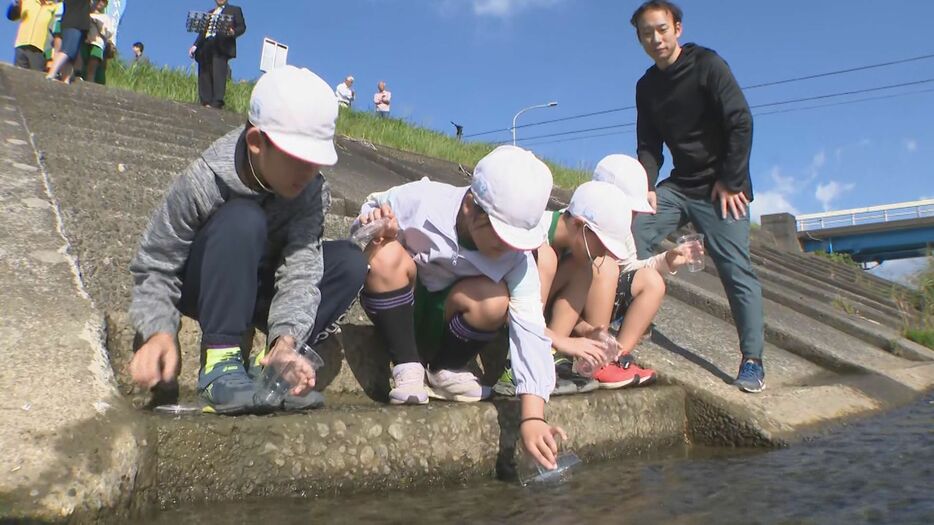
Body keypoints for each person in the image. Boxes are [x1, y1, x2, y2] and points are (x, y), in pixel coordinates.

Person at [127, 65, 367, 415]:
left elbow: (301, 268)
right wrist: (158, 331)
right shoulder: (204, 181)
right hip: (210, 284)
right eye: (299, 159)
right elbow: (156, 263)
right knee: (244, 218)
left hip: (260, 290)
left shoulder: (312, 191)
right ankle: (220, 363)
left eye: (316, 162)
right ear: (256, 143)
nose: (309, 173)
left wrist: (286, 341)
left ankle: (269, 364)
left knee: (349, 262)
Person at [355, 145, 567, 470]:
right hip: (404, 309)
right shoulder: (423, 199)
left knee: (496, 299)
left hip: (449, 320)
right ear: (471, 206)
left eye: (517, 240)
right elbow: (362, 221)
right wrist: (378, 226)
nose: (508, 247)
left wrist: (533, 417)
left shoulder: (518, 260)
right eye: (500, 235)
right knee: (383, 253)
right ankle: (407, 366)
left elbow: (530, 330)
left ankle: (446, 369)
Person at [629, 0, 765, 392]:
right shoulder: (647, 86)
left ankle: (752, 360)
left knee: (735, 268)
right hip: (680, 183)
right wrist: (646, 189)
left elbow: (740, 120)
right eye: (646, 33)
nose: (655, 39)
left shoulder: (708, 65)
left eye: (661, 29)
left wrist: (732, 180)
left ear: (677, 28)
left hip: (722, 186)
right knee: (634, 233)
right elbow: (649, 145)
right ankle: (636, 320)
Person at [189, 0, 246, 109]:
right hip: (206, 44)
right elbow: (202, 32)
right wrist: (195, 45)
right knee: (204, 71)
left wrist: (233, 32)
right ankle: (205, 100)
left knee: (218, 71)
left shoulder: (234, 10)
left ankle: (217, 101)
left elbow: (242, 27)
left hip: (221, 45)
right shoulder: (210, 12)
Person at [6, 0, 57, 71]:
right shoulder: (26, 1)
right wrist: (16, 4)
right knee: (18, 77)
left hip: (40, 50)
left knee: (36, 79)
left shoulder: (54, 7)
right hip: (21, 46)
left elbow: (55, 32)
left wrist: (52, 57)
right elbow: (11, 16)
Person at [44, 0, 87, 82]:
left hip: (73, 23)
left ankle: (65, 80)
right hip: (75, 23)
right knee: (67, 51)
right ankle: (51, 74)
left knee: (71, 56)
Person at [82, 0, 113, 84]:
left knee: (92, 68)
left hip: (97, 44)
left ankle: (89, 85)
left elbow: (108, 33)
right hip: (85, 42)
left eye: (103, 2)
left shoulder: (106, 17)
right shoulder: (87, 13)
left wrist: (98, 24)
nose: (100, 3)